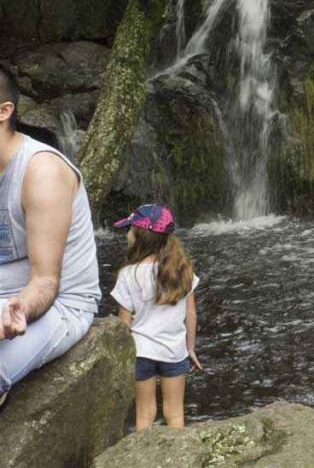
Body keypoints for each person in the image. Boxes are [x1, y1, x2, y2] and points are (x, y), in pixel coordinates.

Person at [0, 62, 100, 407]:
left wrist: (17, 311)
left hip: (57, 305)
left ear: (4, 111)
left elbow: (45, 283)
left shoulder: (41, 171)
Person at [112, 204, 202, 430]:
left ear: (140, 235)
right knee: (175, 414)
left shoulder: (127, 274)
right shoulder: (183, 270)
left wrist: (122, 358)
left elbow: (124, 323)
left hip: (141, 352)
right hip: (174, 350)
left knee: (143, 416)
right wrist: (190, 347)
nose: (127, 235)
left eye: (130, 229)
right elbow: (191, 313)